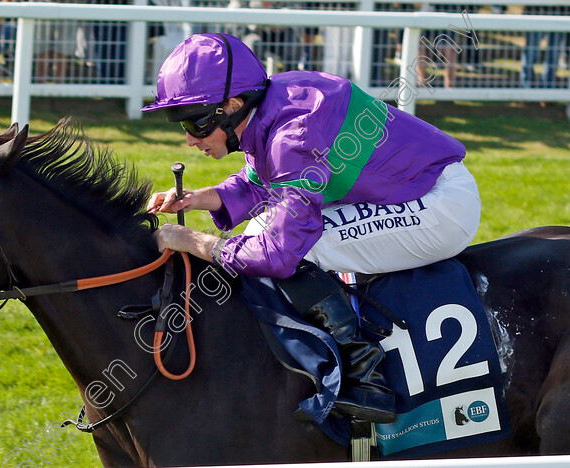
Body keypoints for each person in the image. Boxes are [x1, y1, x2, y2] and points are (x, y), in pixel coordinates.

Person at [142, 33, 481, 424]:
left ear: (232, 106)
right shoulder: (273, 102)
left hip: (440, 206)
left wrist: (197, 242)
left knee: (299, 247)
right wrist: (199, 198)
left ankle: (365, 376)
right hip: (410, 190)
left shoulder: (292, 134)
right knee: (264, 227)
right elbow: (264, 181)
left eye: (194, 123)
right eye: (179, 123)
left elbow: (280, 253)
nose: (188, 139)